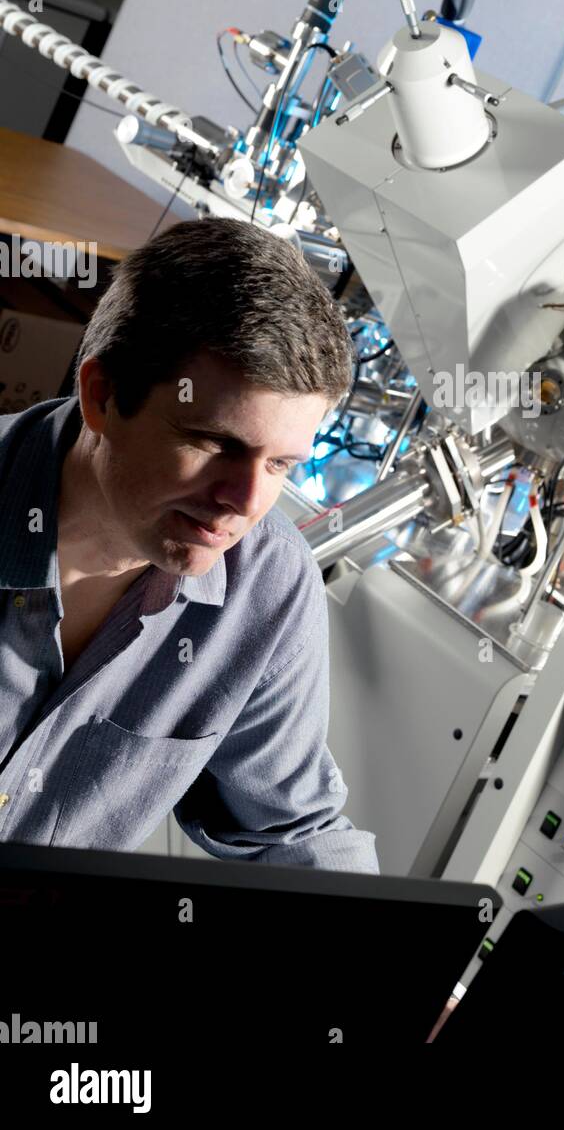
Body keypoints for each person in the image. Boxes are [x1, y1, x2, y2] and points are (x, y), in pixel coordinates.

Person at [0, 216, 378, 872]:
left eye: (281, 466)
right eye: (216, 444)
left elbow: (291, 832)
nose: (246, 502)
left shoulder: (268, 590)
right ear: (102, 395)